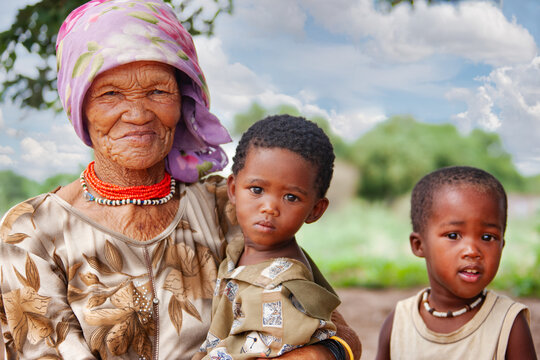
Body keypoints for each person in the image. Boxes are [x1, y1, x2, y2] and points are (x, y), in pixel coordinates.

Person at [0, 1, 360, 359]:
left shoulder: (228, 204)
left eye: (158, 91)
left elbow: (334, 332)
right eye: (110, 94)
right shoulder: (31, 231)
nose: (138, 114)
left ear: (183, 101)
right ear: (79, 105)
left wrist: (322, 354)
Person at [194, 115, 355, 360]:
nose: (270, 207)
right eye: (257, 190)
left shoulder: (281, 291)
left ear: (316, 210)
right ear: (233, 189)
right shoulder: (240, 249)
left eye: (291, 197)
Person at [375, 166, 537, 360]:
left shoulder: (509, 323)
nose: (472, 251)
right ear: (419, 245)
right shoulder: (399, 322)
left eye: (487, 237)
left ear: (502, 244)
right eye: (453, 235)